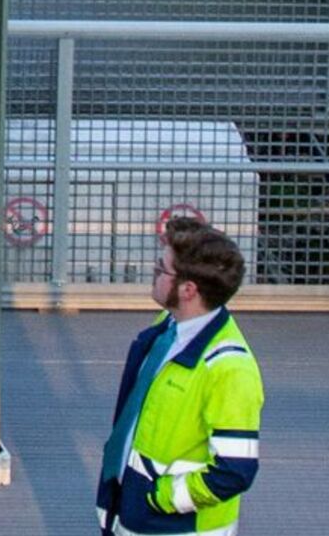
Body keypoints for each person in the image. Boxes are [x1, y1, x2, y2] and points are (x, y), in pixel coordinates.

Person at [96, 215, 264, 535]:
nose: (154, 274)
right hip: (136, 515)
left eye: (162, 269)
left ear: (187, 289)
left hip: (177, 526)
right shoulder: (169, 328)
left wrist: (159, 499)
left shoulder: (230, 369)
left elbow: (234, 472)